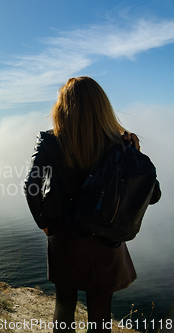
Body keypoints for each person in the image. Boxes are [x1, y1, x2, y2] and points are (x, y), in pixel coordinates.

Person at [24, 76, 161, 332]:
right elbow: (153, 195)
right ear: (102, 105)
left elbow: (31, 187)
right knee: (100, 313)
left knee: (64, 306)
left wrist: (44, 224)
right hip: (106, 236)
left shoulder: (50, 140)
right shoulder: (119, 144)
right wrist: (135, 155)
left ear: (63, 106)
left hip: (63, 235)